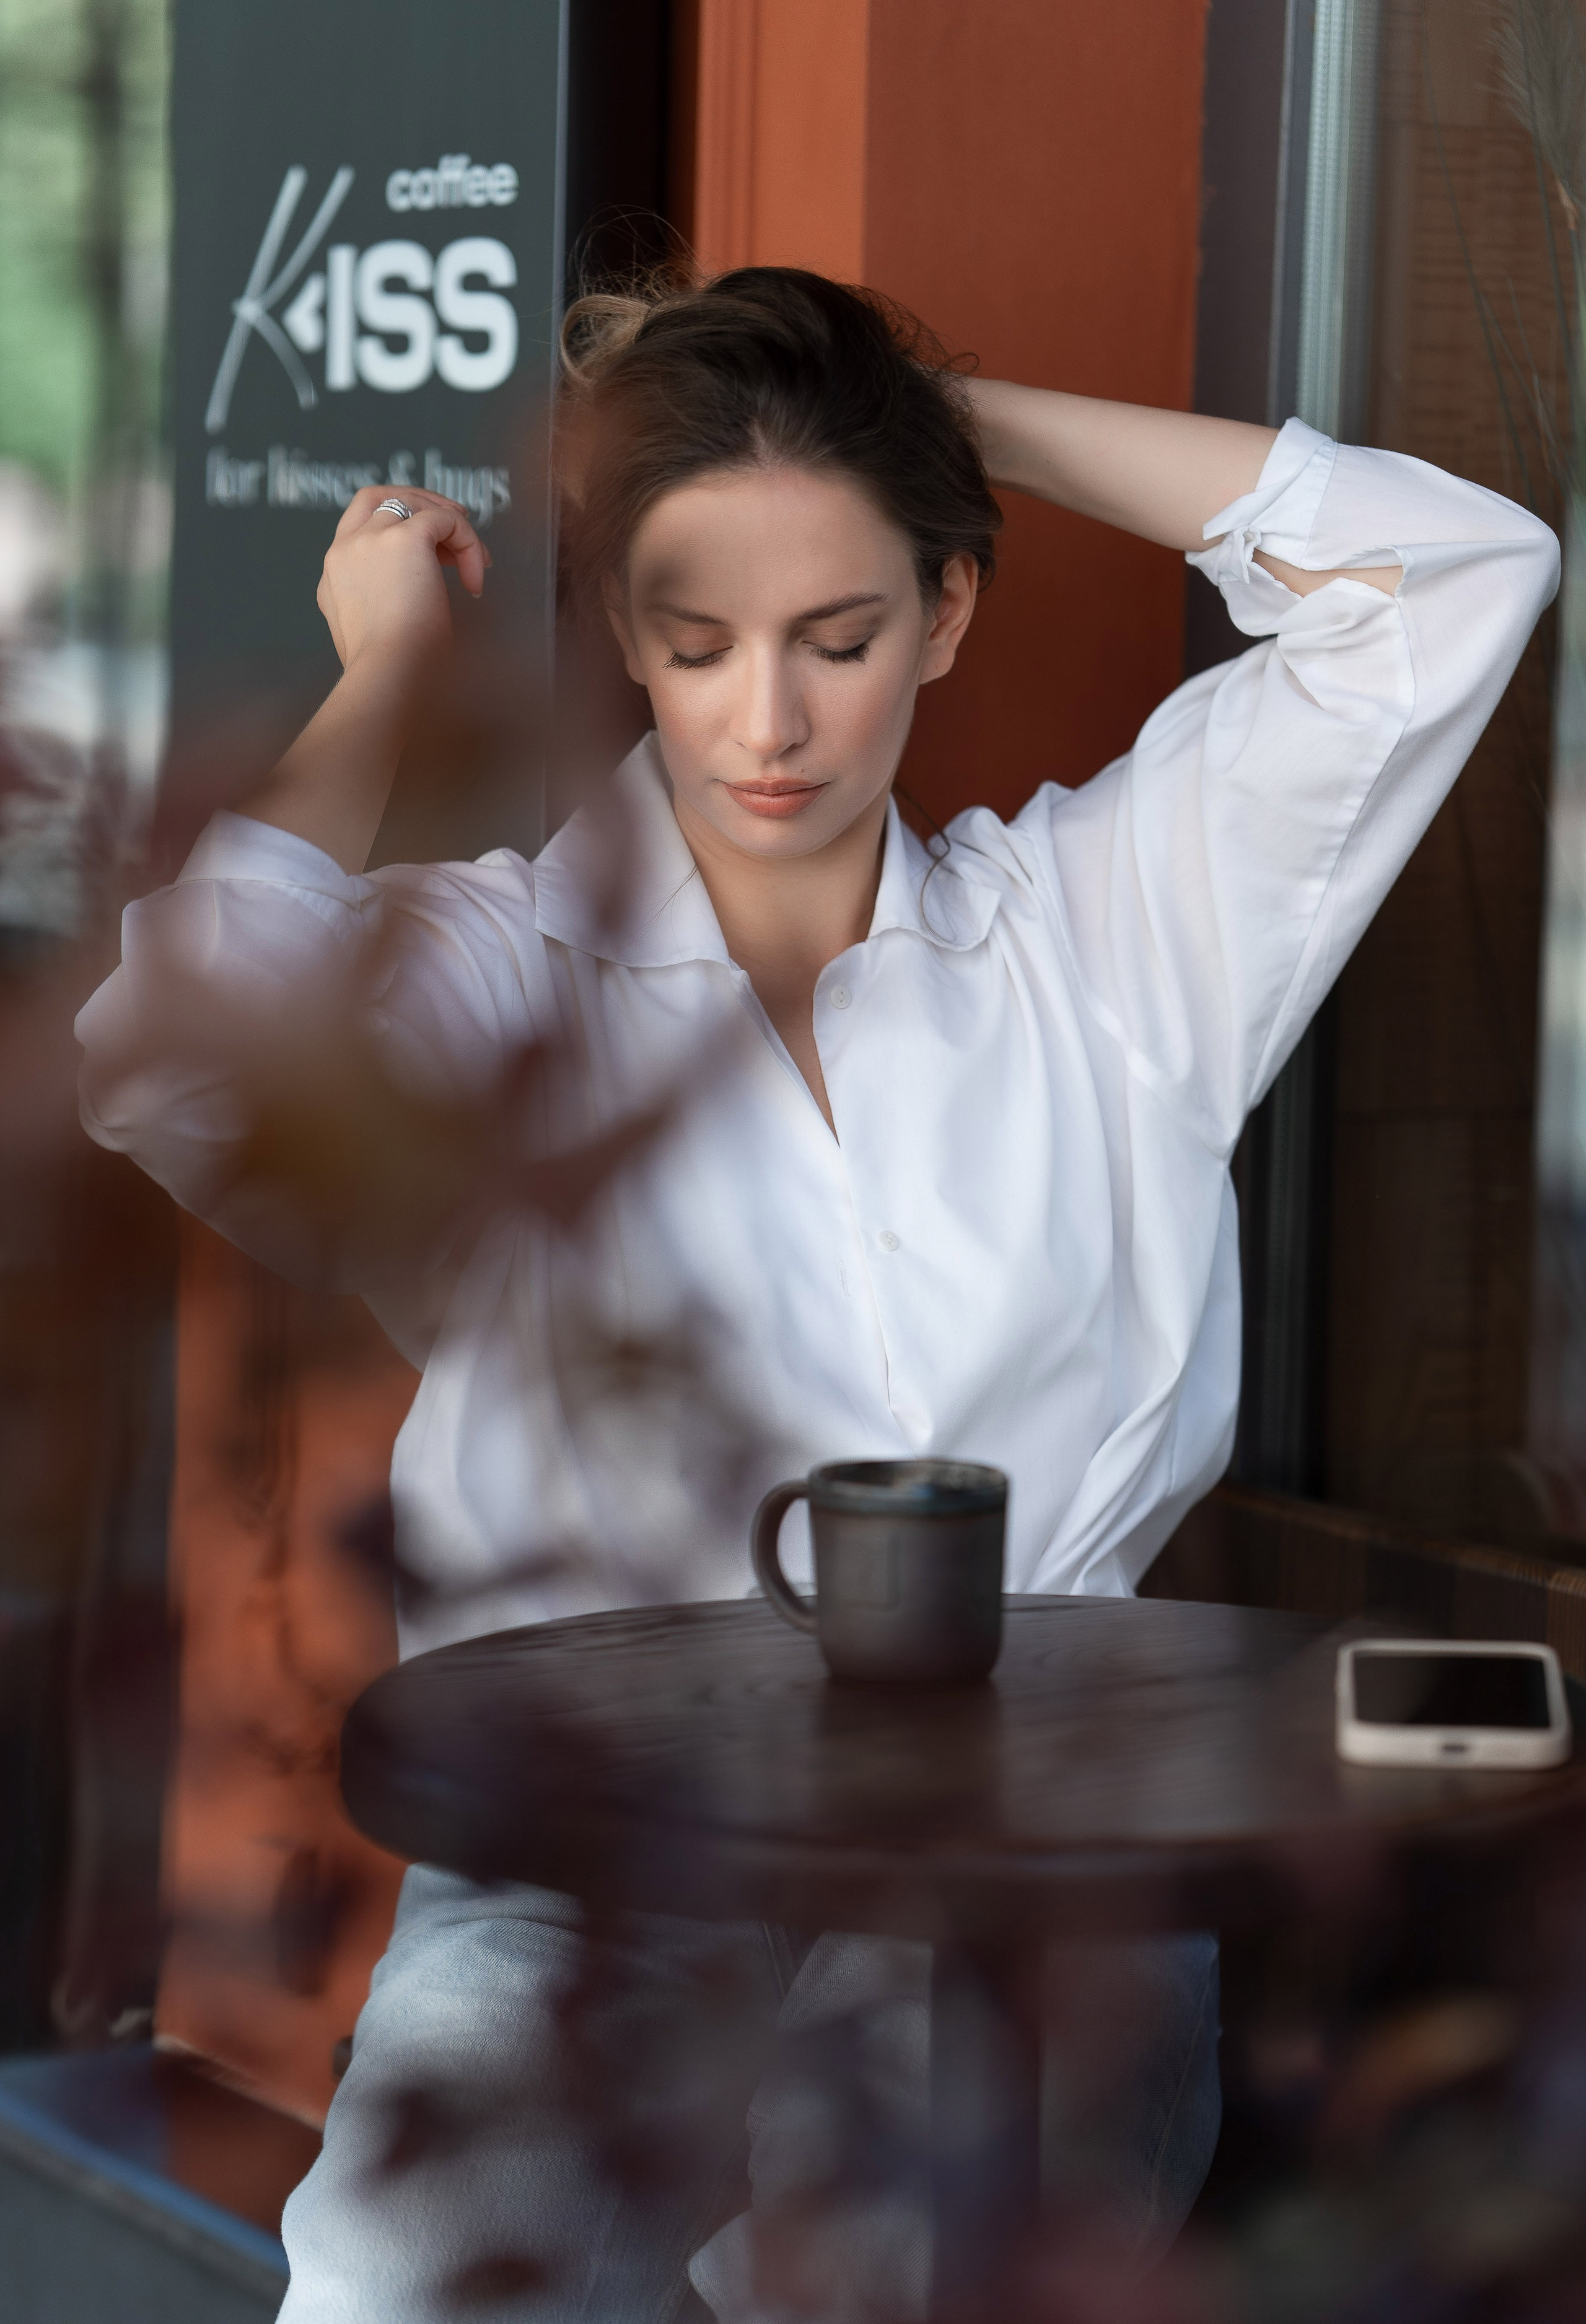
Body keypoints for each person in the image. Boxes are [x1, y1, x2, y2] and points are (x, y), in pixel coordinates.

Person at [77, 267, 1557, 2320]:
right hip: (590, 1858)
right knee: (407, 2284)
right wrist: (394, 667)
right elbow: (171, 1051)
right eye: (696, 642)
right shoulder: (502, 984)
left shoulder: (1111, 941)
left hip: (1034, 1866)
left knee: (925, 2261)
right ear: (623, 640)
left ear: (947, 614)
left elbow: (1460, 572)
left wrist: (947, 423)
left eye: (839, 635)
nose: (764, 722)